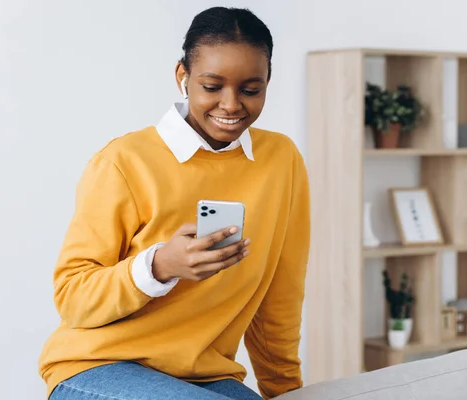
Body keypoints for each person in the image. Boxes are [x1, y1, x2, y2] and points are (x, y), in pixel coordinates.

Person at [38, 6, 310, 400]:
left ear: (268, 80)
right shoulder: (124, 162)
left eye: (251, 89)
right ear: (183, 76)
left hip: (204, 374)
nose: (231, 105)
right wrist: (159, 266)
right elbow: (72, 298)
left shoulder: (281, 160)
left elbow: (281, 295)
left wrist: (285, 392)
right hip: (97, 366)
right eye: (212, 86)